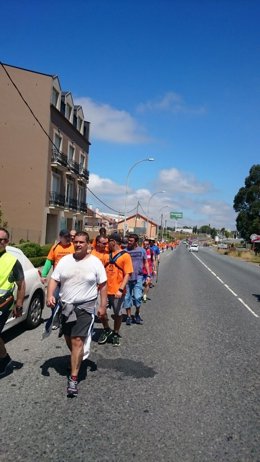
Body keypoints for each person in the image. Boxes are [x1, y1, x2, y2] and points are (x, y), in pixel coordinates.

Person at [47, 231, 107, 398]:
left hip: (85, 307)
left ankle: (73, 379)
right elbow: (54, 279)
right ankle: (77, 358)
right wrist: (50, 295)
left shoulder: (95, 263)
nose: (78, 244)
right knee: (69, 338)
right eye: (76, 241)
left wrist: (103, 305)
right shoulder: (66, 260)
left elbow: (103, 285)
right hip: (66, 306)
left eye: (82, 242)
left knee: (77, 340)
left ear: (88, 244)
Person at [98, 232, 133, 347]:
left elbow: (127, 274)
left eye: (108, 242)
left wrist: (121, 289)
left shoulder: (125, 255)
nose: (107, 244)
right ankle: (107, 329)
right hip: (105, 290)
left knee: (117, 314)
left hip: (117, 291)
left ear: (114, 242)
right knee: (101, 313)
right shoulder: (106, 255)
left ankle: (116, 333)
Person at [0, 228, 25, 376]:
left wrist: (19, 304)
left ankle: (4, 362)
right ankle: (6, 358)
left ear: (7, 242)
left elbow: (21, 284)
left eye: (3, 240)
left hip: (3, 303)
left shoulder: (12, 261)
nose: (1, 242)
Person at [40, 229, 75, 329]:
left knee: (68, 301)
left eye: (69, 237)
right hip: (57, 280)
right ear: (60, 237)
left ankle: (66, 317)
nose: (68, 238)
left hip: (70, 279)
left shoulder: (73, 246)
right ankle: (55, 318)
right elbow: (49, 261)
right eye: (66, 237)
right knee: (53, 299)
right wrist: (44, 275)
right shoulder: (55, 247)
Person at [124, 234, 149, 325]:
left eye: (131, 241)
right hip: (127, 278)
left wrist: (149, 275)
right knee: (127, 298)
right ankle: (129, 316)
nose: (129, 242)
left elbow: (145, 262)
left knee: (138, 297)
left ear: (136, 242)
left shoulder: (142, 250)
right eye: (128, 240)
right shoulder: (124, 251)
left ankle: (137, 313)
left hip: (138, 277)